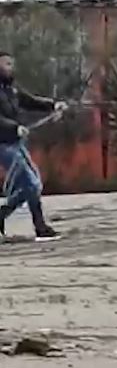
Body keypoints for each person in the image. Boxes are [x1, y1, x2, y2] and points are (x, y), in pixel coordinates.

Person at [0, 52, 66, 242]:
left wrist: (53, 105)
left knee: (34, 184)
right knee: (31, 183)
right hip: (3, 145)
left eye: (11, 63)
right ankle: (40, 227)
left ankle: (3, 213)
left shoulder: (12, 90)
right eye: (6, 63)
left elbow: (31, 101)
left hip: (16, 143)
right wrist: (14, 127)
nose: (10, 67)